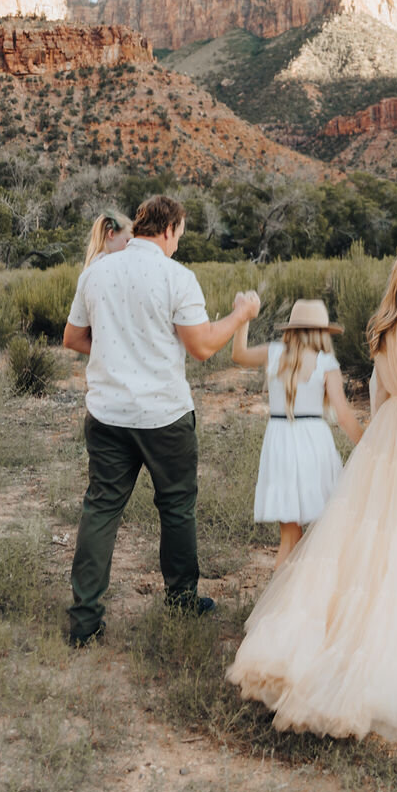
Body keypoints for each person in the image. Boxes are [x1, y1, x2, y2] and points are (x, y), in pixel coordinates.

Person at [226, 247, 397, 742]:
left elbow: (378, 394)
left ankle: (343, 637)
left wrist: (381, 437)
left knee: (377, 535)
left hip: (392, 430)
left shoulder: (384, 331)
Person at [62, 193, 260, 646]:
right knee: (175, 508)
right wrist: (241, 313)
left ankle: (84, 623)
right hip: (165, 417)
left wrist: (115, 352)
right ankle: (181, 599)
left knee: (101, 510)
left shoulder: (95, 273)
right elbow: (203, 347)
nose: (178, 246)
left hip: (108, 414)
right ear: (169, 230)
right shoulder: (177, 277)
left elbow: (72, 338)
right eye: (180, 237)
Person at [231, 298, 363, 570]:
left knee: (290, 537)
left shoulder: (274, 352)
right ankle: (311, 595)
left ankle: (280, 604)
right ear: (323, 333)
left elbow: (238, 355)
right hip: (314, 443)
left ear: (291, 328)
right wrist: (368, 444)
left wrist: (241, 317)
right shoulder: (326, 362)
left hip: (279, 441)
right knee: (325, 527)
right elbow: (343, 414)